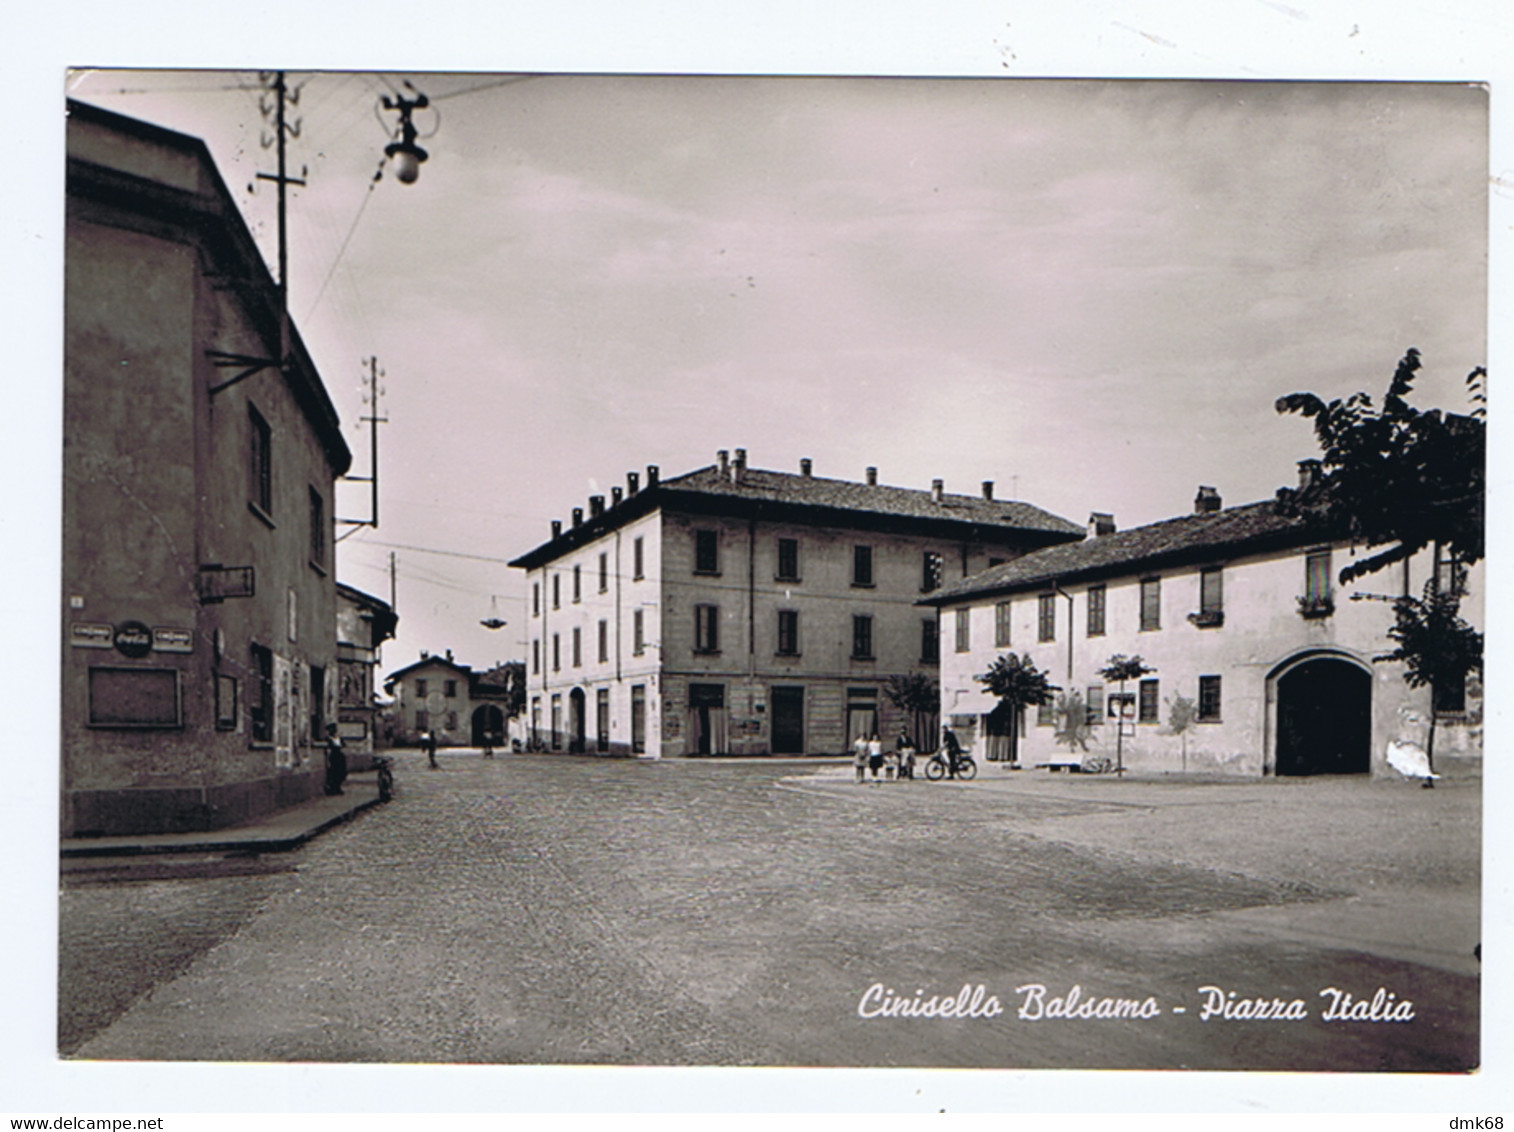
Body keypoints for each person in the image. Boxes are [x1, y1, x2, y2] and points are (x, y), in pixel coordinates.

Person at [323, 722, 347, 796]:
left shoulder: (339, 738)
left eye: (335, 729)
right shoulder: (328, 739)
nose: (334, 731)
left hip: (340, 757)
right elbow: (327, 749)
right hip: (333, 757)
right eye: (332, 729)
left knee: (342, 772)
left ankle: (338, 787)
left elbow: (344, 745)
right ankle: (333, 788)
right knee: (333, 773)